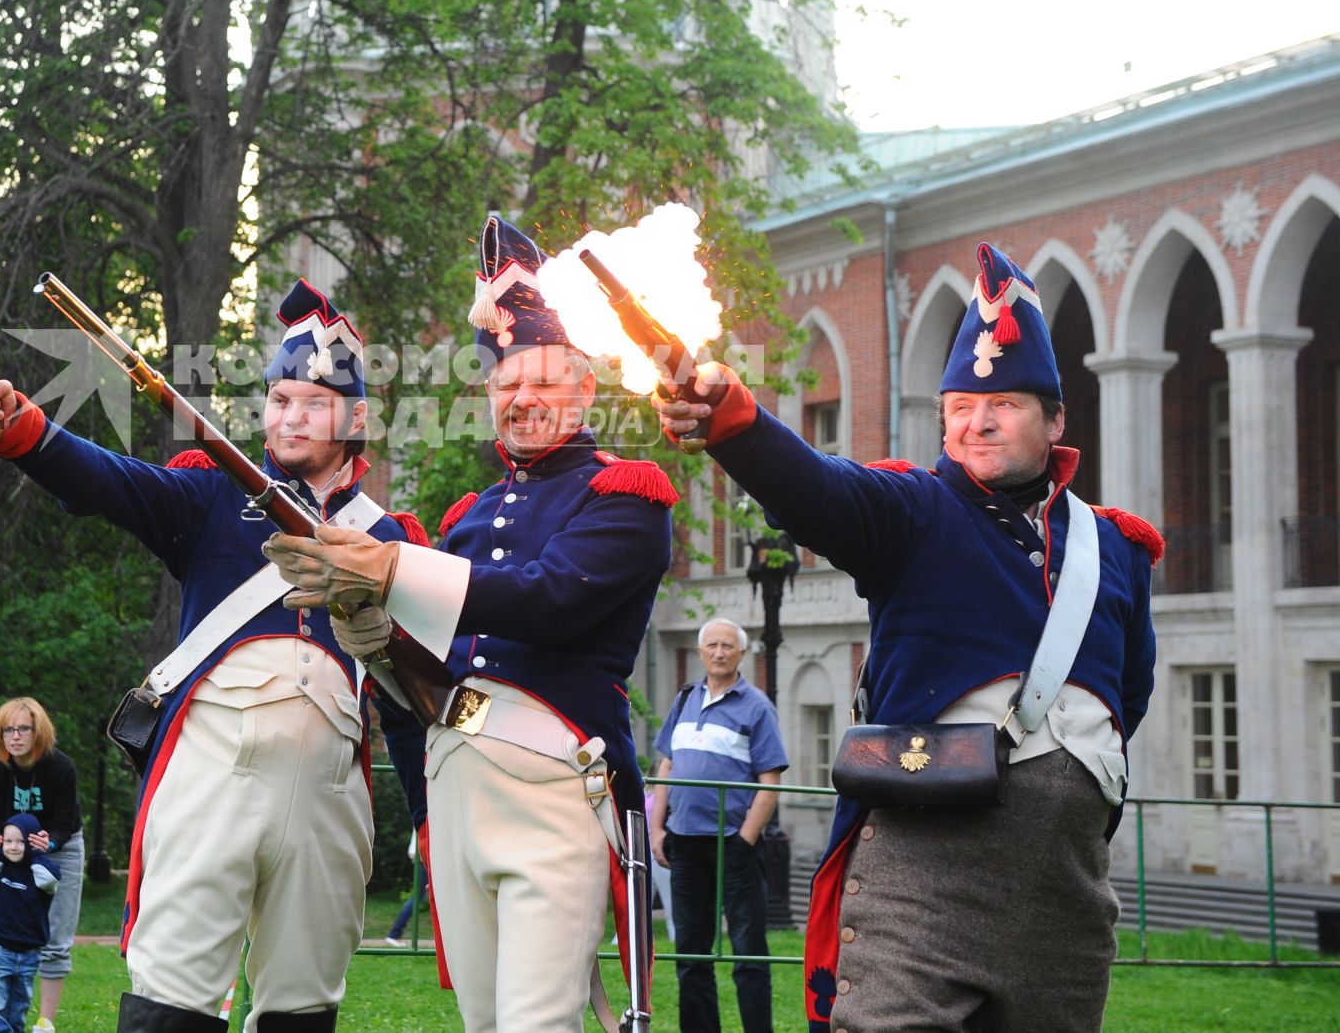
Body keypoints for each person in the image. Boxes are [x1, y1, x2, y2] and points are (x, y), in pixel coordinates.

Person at [657, 242, 1159, 1033]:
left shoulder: (1117, 550)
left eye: (1005, 404)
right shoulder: (912, 510)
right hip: (919, 890)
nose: (977, 421)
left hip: (1066, 902)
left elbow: (1129, 695)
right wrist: (731, 418)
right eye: (959, 405)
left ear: (1056, 418)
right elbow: (816, 488)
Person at [0, 279, 426, 1033]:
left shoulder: (394, 540)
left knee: (303, 1013)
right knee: (170, 1007)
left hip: (332, 801)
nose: (290, 414)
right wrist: (20, 428)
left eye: (313, 400)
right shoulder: (210, 496)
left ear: (357, 417)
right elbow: (104, 480)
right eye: (279, 399)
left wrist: (430, 817)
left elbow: (411, 701)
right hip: (213, 781)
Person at [266, 215, 676, 1033]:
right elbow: (441, 659)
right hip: (457, 777)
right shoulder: (471, 514)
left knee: (535, 1023)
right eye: (503, 383)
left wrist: (390, 567)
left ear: (586, 386)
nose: (520, 397)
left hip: (555, 783)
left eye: (541, 379)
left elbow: (545, 596)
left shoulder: (627, 492)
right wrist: (377, 637)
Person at [649, 617, 787, 1033]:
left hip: (733, 844)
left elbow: (771, 782)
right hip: (685, 843)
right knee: (691, 955)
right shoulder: (686, 698)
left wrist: (746, 841)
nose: (720, 652)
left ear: (742, 653)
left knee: (749, 954)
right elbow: (667, 765)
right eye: (712, 645)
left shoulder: (757, 706)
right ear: (700, 652)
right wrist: (658, 828)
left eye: (728, 645)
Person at [0, 697, 84, 1033]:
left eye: (23, 728)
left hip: (60, 849)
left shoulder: (60, 767)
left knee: (55, 939)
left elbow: (65, 821)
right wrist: (6, 842)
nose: (15, 736)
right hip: (16, 854)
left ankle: (45, 1022)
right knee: (12, 934)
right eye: (8, 729)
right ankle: (9, 1014)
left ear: (38, 731)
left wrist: (49, 842)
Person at [0, 812, 65, 1033]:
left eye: (20, 841)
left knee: (19, 1008)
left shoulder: (40, 871)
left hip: (28, 954)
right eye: (8, 841)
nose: (13, 847)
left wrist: (36, 854)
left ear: (31, 842)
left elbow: (50, 879)